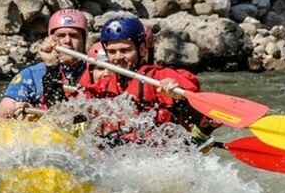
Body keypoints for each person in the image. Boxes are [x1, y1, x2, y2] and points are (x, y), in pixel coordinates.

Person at [79, 16, 217, 146]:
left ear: (142, 50)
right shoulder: (105, 85)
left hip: (165, 158)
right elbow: (73, 105)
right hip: (120, 157)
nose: (118, 57)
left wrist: (179, 98)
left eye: (125, 50)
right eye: (112, 52)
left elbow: (202, 117)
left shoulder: (162, 76)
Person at [0, 9, 89, 118]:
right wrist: (24, 111)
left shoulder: (96, 72)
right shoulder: (31, 75)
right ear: (51, 40)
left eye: (74, 35)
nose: (67, 41)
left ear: (84, 40)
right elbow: (0, 118)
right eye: (61, 35)